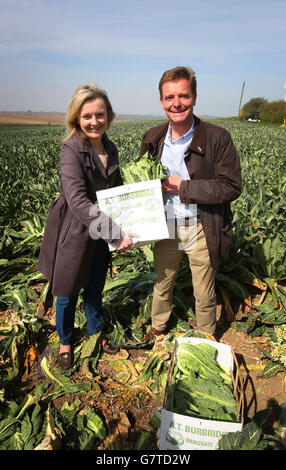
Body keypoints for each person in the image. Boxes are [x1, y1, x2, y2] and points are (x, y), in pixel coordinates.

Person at [38, 82, 136, 370]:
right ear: (77, 119)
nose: (94, 121)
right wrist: (116, 233)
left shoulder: (110, 147)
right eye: (87, 116)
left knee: (95, 288)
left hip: (100, 229)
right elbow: (78, 201)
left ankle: (96, 335)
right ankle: (66, 343)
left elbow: (116, 192)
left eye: (100, 114)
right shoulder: (71, 149)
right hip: (75, 229)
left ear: (109, 116)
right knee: (66, 292)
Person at [140, 66, 242, 342]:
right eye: (170, 98)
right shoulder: (153, 138)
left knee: (204, 288)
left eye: (183, 96)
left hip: (201, 223)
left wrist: (183, 188)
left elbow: (231, 186)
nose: (177, 103)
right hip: (166, 225)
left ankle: (206, 336)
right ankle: (158, 326)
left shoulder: (217, 137)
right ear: (162, 101)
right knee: (163, 281)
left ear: (194, 97)